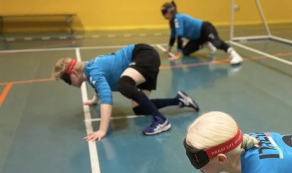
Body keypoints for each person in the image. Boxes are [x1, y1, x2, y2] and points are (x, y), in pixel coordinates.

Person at [52, 43, 199, 140]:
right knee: (139, 108)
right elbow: (98, 87)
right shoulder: (90, 71)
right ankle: (178, 99)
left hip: (143, 55)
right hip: (145, 60)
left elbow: (107, 98)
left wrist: (102, 131)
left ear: (75, 74)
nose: (69, 84)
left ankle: (161, 120)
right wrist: (93, 101)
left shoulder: (92, 72)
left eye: (67, 80)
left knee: (124, 84)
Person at [161, 1, 243, 65]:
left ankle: (234, 54)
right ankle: (205, 43)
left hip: (204, 29)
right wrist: (169, 49)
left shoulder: (178, 18)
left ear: (168, 13)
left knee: (217, 43)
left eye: (163, 13)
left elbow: (180, 37)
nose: (163, 15)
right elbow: (173, 36)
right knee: (185, 52)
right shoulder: (172, 22)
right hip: (197, 38)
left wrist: (178, 55)